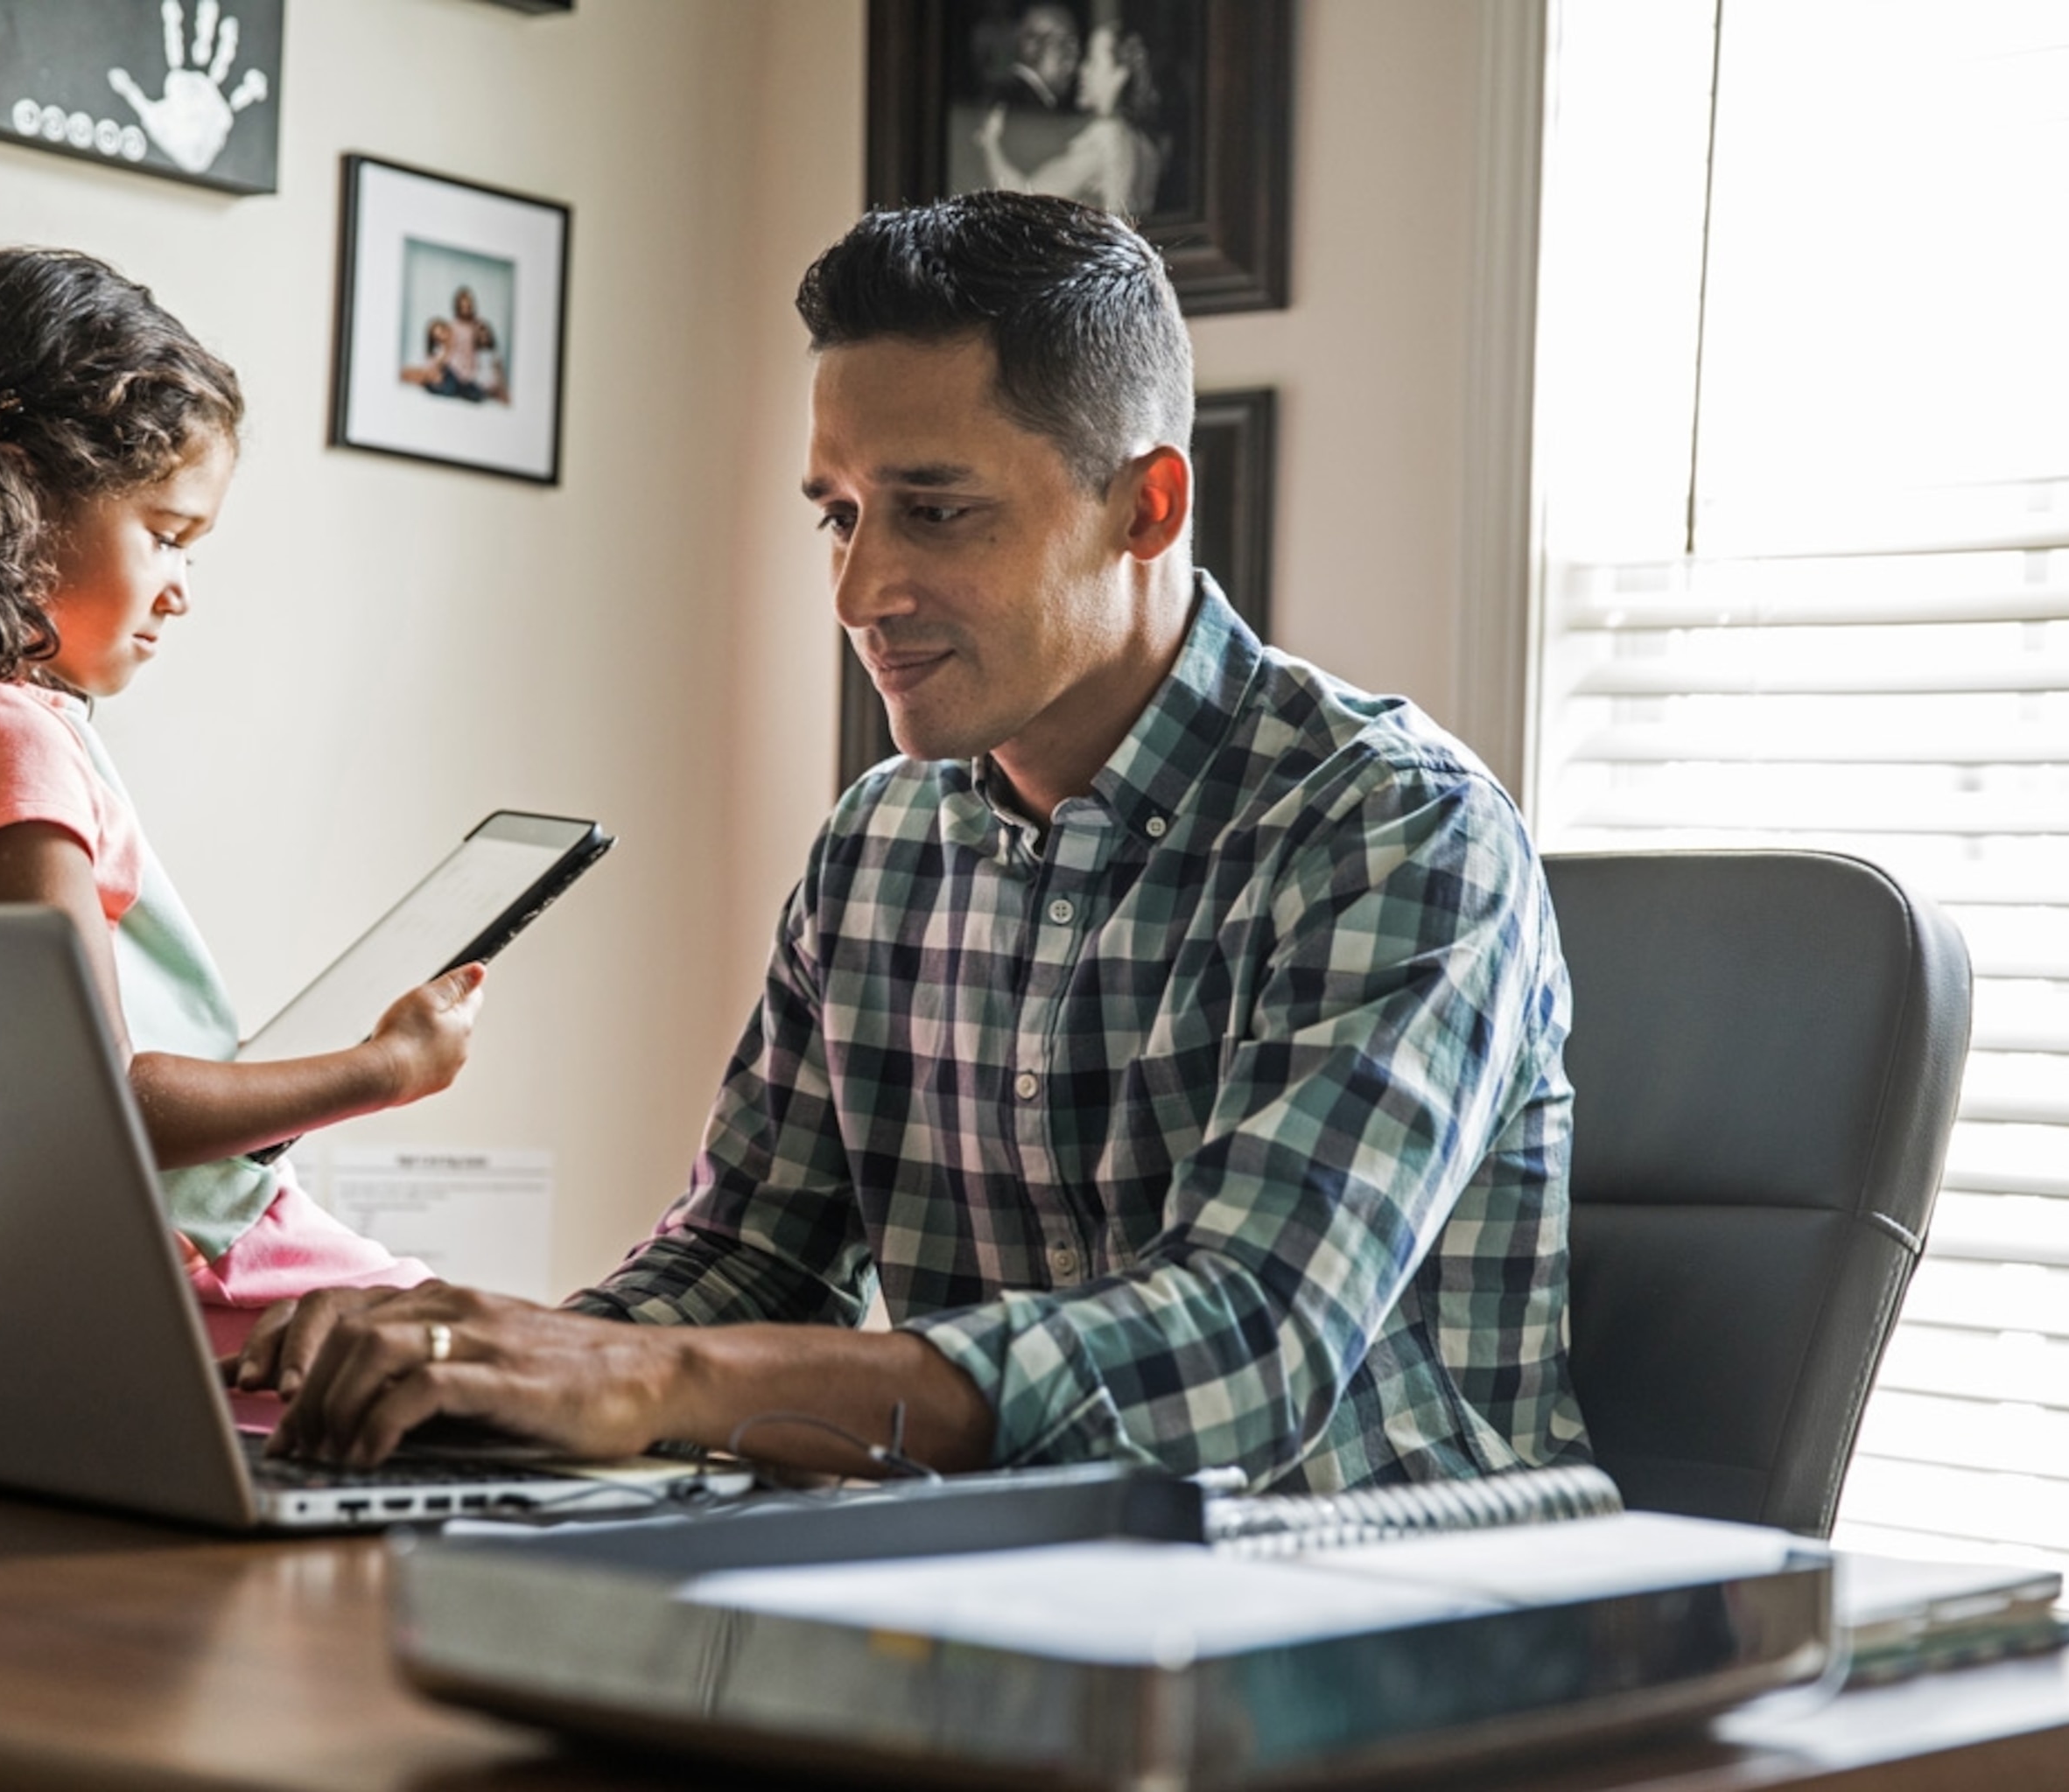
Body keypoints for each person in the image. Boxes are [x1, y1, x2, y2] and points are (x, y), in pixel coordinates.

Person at [242, 192, 1587, 1496]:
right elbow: (757, 1257)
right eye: (839, 513)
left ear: (1147, 509)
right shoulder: (879, 840)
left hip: (1382, 1625)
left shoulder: (1396, 826)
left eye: (935, 511)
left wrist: (654, 1385)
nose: (859, 590)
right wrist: (489, 1372)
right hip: (996, 1607)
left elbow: (1244, 1355)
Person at [0, 247, 485, 1354]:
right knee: (502, 1360)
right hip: (191, 1256)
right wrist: (386, 1067)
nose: (180, 589)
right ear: (14, 488)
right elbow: (94, 1104)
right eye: (166, 534)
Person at [978, 21, 1163, 218]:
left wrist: (990, 145)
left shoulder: (1107, 136)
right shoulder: (1143, 142)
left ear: (1120, 74)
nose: (1082, 70)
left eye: (1092, 61)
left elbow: (1024, 198)